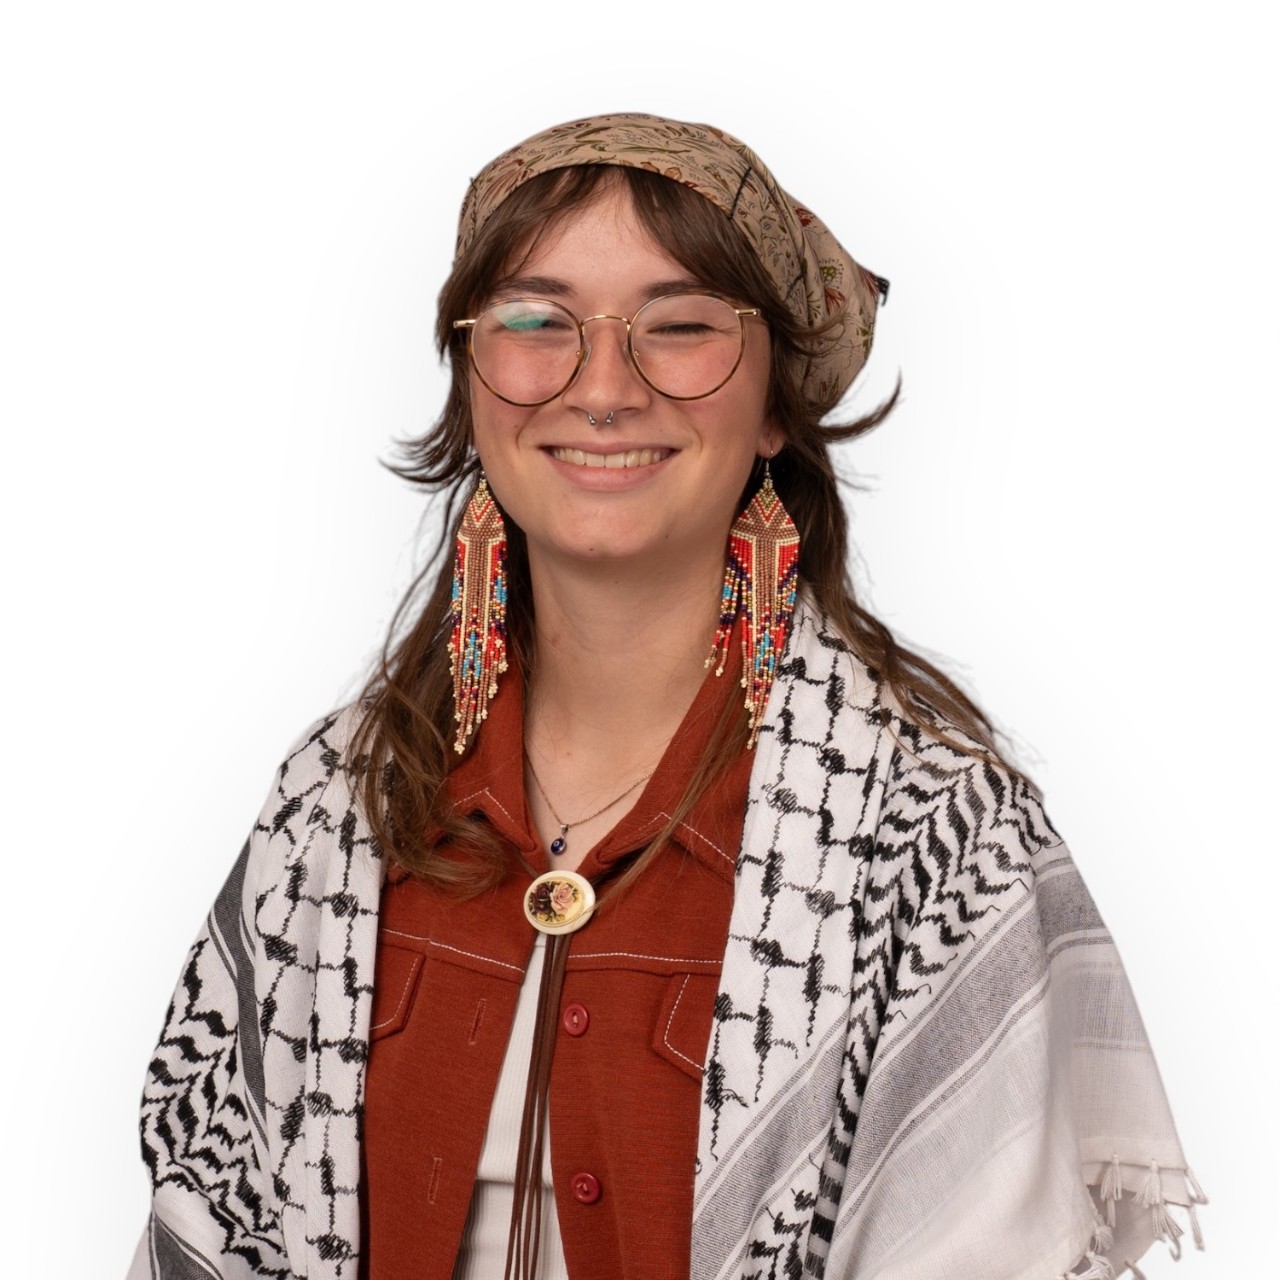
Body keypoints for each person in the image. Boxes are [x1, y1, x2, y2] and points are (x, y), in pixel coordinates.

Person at [129, 113, 1204, 1280]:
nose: (601, 388)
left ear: (778, 403)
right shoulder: (338, 804)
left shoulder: (929, 833)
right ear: (471, 380)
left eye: (680, 327)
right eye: (535, 323)